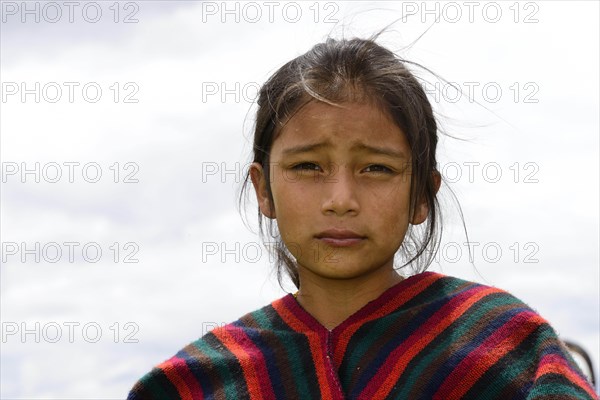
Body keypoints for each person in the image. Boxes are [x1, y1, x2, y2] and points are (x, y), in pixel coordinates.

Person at [127, 36, 598, 399]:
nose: (341, 199)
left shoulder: (503, 347)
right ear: (263, 190)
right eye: (307, 166)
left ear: (421, 197)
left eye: (377, 168)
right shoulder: (199, 382)